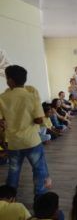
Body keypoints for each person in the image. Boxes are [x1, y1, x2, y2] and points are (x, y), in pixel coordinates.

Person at [0, 65, 52, 196]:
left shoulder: (2, 97)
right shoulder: (31, 95)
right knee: (38, 170)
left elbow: (1, 121)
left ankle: (9, 198)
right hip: (31, 141)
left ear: (11, 81)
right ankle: (40, 197)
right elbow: (40, 119)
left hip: (13, 142)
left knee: (14, 171)